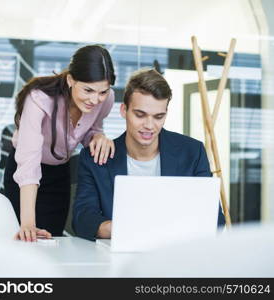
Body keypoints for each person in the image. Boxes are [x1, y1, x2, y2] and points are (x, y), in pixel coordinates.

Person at [72, 68, 225, 241]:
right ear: (124, 111)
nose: (149, 126)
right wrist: (127, 229)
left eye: (159, 116)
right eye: (140, 115)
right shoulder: (96, 159)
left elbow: (216, 220)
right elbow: (82, 220)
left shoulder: (192, 152)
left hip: (177, 254)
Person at [4, 45, 116, 241]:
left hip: (58, 172)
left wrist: (97, 137)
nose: (95, 99)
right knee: (23, 237)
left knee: (52, 238)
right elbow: (29, 160)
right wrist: (28, 223)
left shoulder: (106, 101)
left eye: (102, 92)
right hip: (24, 171)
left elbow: (91, 128)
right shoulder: (39, 98)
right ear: (71, 79)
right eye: (88, 90)